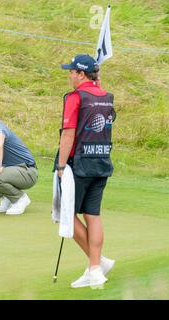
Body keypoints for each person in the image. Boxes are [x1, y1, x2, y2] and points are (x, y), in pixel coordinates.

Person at [57, 54, 116, 288]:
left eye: (72, 71)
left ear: (82, 74)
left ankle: (97, 264)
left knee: (66, 216)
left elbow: (68, 133)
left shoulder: (75, 97)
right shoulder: (107, 96)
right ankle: (95, 267)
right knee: (93, 214)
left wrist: (61, 165)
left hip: (78, 164)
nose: (70, 75)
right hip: (101, 162)